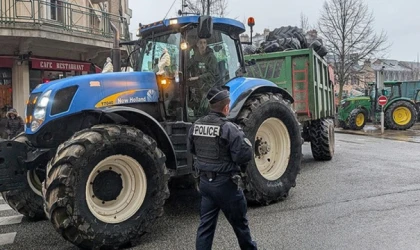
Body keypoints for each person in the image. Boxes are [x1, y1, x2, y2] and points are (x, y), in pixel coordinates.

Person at [188, 86, 257, 250]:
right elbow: (243, 155)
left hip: (205, 183)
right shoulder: (228, 128)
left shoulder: (196, 125)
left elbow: (192, 149)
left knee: (205, 228)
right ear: (226, 107)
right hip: (226, 185)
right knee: (241, 226)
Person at [187, 38, 219, 117]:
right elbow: (187, 66)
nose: (203, 45)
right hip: (197, 86)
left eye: (204, 43)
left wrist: (198, 77)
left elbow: (212, 74)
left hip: (208, 86)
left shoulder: (211, 57)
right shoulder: (195, 57)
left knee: (205, 107)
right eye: (200, 43)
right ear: (197, 45)